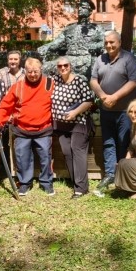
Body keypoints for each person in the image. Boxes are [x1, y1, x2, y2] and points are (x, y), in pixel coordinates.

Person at [0, 56, 55, 196]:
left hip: (43, 129)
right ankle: (25, 183)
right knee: (22, 158)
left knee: (46, 157)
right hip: (22, 129)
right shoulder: (18, 86)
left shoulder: (50, 84)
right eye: (29, 71)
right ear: (25, 71)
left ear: (41, 70)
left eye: (35, 71)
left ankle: (46, 183)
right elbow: (5, 106)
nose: (32, 75)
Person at [90, 30, 136, 191]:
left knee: (123, 142)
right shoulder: (100, 59)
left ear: (119, 42)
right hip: (106, 110)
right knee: (108, 142)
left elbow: (134, 81)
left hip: (125, 111)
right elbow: (93, 80)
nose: (109, 45)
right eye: (106, 43)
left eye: (112, 42)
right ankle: (110, 174)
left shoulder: (128, 58)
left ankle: (122, 173)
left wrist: (115, 97)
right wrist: (104, 96)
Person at [51, 56, 94, 198]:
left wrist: (75, 112)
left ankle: (81, 188)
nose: (63, 68)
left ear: (70, 66)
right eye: (60, 66)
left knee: (77, 151)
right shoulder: (55, 81)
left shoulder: (78, 81)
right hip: (61, 125)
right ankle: (76, 180)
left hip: (79, 123)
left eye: (66, 65)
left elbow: (89, 101)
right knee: (67, 152)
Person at [38, 0, 105, 78]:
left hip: (86, 60)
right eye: (79, 7)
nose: (80, 9)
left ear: (90, 11)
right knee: (44, 68)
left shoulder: (97, 28)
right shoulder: (69, 28)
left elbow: (104, 43)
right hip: (68, 58)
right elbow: (57, 42)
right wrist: (46, 47)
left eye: (83, 7)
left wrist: (93, 47)